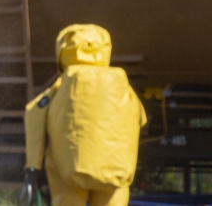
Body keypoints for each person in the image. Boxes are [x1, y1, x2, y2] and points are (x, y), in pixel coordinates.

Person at [22, 24, 147, 206]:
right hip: (114, 170)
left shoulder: (63, 83)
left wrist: (31, 170)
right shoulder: (120, 81)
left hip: (69, 170)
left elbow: (34, 115)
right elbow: (140, 118)